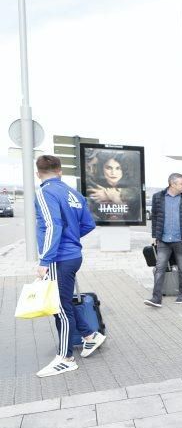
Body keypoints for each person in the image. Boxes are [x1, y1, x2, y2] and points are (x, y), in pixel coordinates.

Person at [32, 155, 106, 378]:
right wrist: (72, 238)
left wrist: (45, 260)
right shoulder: (74, 193)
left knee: (59, 308)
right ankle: (90, 336)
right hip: (73, 255)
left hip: (59, 258)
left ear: (38, 174)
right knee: (63, 301)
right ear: (60, 171)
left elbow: (52, 225)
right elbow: (88, 224)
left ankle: (65, 358)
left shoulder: (45, 192)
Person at [144, 173, 182, 307]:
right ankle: (156, 298)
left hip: (181, 240)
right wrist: (154, 236)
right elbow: (155, 218)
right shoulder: (158, 197)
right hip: (163, 240)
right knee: (159, 268)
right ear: (172, 184)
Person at [85, 151, 142, 223]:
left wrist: (115, 197)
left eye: (118, 168)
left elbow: (134, 217)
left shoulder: (134, 192)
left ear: (123, 170)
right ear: (102, 169)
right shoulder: (93, 188)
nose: (113, 173)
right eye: (109, 168)